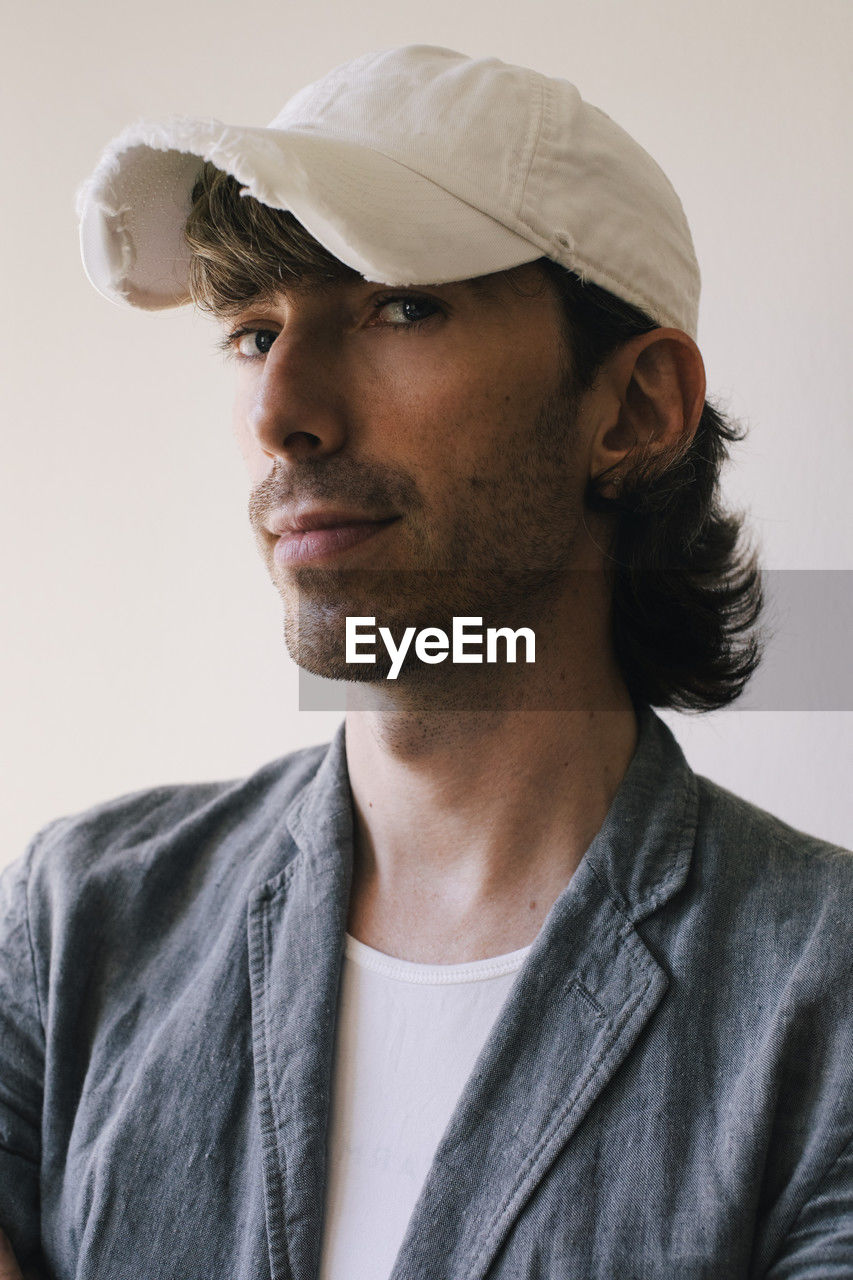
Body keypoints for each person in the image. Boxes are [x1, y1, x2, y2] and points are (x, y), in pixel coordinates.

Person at [0, 44, 850, 1280]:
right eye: (250, 331)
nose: (281, 408)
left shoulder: (819, 1001)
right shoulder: (81, 919)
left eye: (400, 305)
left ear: (634, 409)